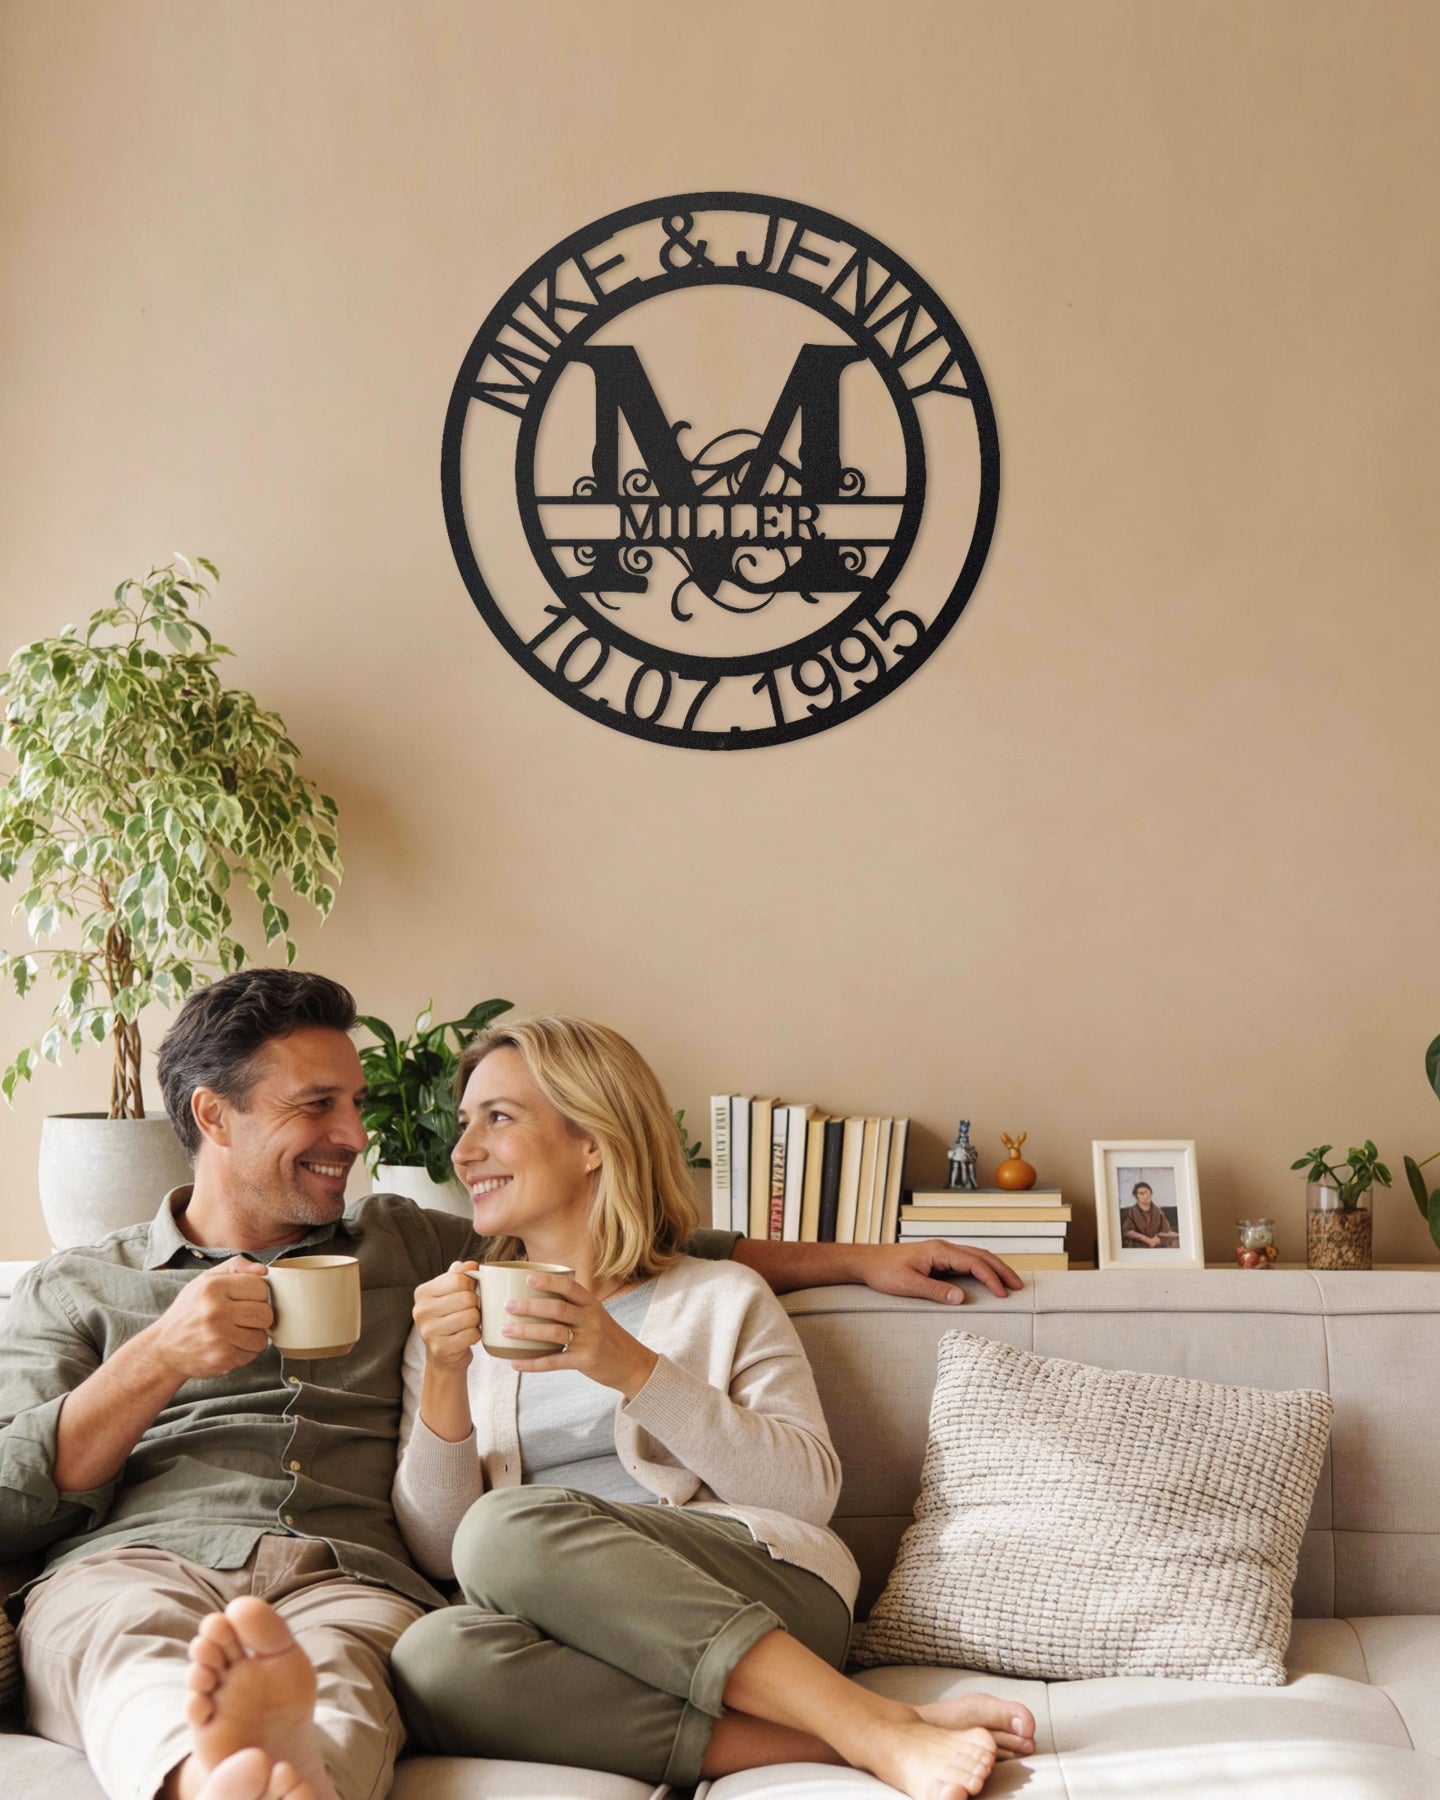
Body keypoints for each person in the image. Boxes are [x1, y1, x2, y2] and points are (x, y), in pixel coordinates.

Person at [0, 969, 1023, 1800]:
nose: (356, 1135)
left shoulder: (412, 1246)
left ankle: (868, 1726)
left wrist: (853, 1259)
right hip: (142, 1561)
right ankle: (225, 1780)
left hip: (350, 1576)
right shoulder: (80, 1285)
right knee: (383, 1662)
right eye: (319, 1105)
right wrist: (157, 1357)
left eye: (354, 1103)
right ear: (212, 1116)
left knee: (401, 1629)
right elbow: (8, 1498)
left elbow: (639, 1249)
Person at [388, 1016, 1036, 1799]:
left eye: (497, 1118)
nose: (462, 1153)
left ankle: (862, 1722)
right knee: (428, 1659)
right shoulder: (449, 1324)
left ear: (592, 1139)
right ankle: (859, 1730)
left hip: (762, 1587)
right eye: (464, 1123)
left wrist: (631, 1366)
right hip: (578, 1629)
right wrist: (446, 1371)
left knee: (505, 1527)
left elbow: (806, 1495)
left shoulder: (722, 1296)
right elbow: (441, 1550)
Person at [1120, 1181, 1180, 1249]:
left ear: (1151, 1193)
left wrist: (1179, 1235)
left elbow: (1165, 1231)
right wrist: (1148, 1240)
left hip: (1156, 1242)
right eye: (1142, 1193)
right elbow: (1127, 1232)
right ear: (1136, 1196)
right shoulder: (1131, 1212)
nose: (1145, 1196)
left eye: (1147, 1192)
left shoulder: (1158, 1211)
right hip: (1138, 1244)